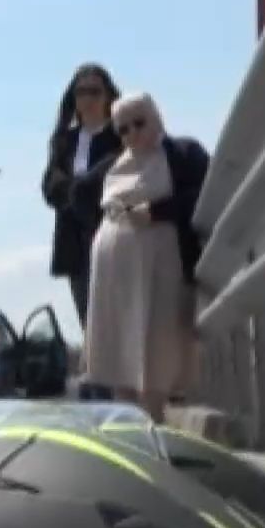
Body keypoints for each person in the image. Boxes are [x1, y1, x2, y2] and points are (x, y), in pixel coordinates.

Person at [76, 92, 209, 422]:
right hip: (114, 275)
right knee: (119, 357)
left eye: (139, 123)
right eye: (123, 129)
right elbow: (77, 195)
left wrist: (156, 212)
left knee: (157, 350)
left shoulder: (183, 153)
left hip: (161, 272)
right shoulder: (112, 166)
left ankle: (153, 425)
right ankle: (129, 431)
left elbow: (207, 194)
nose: (133, 134)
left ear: (156, 118)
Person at [41, 63, 123, 326]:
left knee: (115, 317)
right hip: (74, 241)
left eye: (94, 92)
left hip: (112, 234)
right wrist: (77, 191)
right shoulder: (64, 141)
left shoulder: (121, 135)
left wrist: (84, 188)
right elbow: (50, 185)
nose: (87, 99)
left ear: (108, 96)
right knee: (88, 319)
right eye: (81, 92)